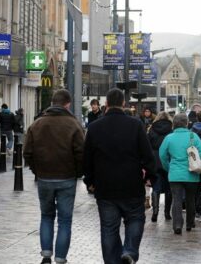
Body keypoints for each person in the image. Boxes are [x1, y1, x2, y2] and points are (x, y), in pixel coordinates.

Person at [83, 88, 156, 264]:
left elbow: (87, 159)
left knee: (109, 228)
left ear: (106, 104)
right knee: (135, 219)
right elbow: (148, 155)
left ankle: (112, 261)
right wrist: (149, 176)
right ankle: (129, 251)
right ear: (124, 103)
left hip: (105, 186)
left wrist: (90, 181)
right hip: (131, 184)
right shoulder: (136, 125)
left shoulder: (94, 127)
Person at [23, 89, 85, 264]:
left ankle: (46, 255)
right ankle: (60, 258)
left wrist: (37, 170)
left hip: (45, 178)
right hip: (67, 178)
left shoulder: (37, 124)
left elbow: (27, 152)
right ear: (68, 104)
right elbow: (81, 152)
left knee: (46, 216)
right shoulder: (73, 125)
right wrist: (77, 173)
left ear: (52, 103)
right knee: (65, 220)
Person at [160, 113, 201, 234]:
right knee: (190, 199)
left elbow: (162, 155)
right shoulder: (193, 136)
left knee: (176, 199)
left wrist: (168, 167)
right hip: (192, 174)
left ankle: (177, 225)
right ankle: (189, 223)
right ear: (187, 123)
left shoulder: (169, 138)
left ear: (174, 124)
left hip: (175, 175)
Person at [147, 111, 173, 222]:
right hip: (167, 159)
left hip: (155, 161)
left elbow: (147, 146)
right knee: (168, 188)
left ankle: (155, 212)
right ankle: (167, 213)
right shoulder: (171, 130)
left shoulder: (151, 129)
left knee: (156, 187)